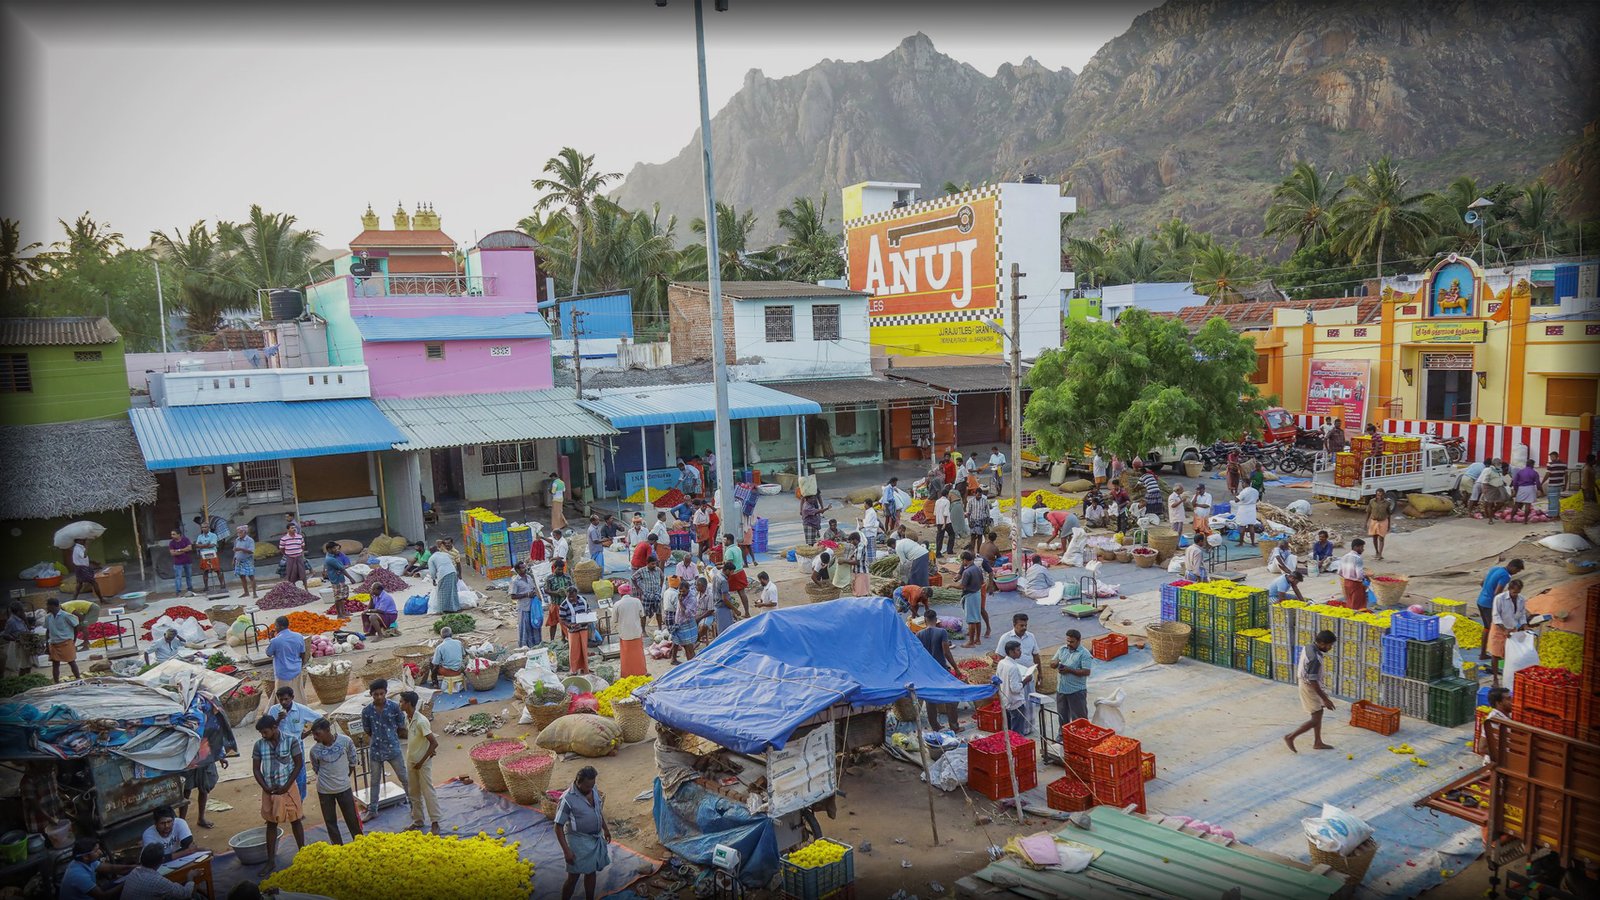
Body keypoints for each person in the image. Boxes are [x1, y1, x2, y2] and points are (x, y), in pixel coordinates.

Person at [251, 714, 306, 875]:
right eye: (261, 733)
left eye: (265, 732)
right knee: (271, 823)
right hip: (269, 789)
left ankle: (303, 855)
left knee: (296, 820)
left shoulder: (291, 740)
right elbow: (256, 769)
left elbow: (298, 764)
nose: (263, 735)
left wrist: (287, 786)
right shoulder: (259, 745)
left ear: (275, 728)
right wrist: (265, 787)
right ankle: (271, 862)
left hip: (288, 787)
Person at [554, 766, 613, 900]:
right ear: (578, 782)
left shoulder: (593, 789)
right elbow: (558, 827)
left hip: (594, 838)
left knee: (591, 871)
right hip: (578, 839)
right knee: (573, 876)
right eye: (587, 786)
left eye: (592, 785)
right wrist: (566, 851)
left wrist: (605, 828)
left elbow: (597, 811)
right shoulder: (567, 799)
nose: (590, 789)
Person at [307, 718, 362, 846]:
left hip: (344, 788)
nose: (315, 737)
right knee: (330, 821)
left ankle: (360, 844)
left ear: (327, 730)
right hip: (324, 791)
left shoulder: (345, 741)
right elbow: (317, 769)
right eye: (313, 734)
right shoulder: (314, 751)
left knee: (352, 819)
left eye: (317, 734)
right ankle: (337, 847)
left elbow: (353, 761)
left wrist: (343, 778)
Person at [360, 679, 408, 822]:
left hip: (393, 749)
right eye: (376, 695)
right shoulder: (367, 711)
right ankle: (372, 810)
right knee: (374, 781)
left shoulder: (395, 708)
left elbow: (401, 726)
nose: (379, 697)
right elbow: (367, 730)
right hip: (375, 750)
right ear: (371, 695)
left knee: (404, 777)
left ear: (386, 693)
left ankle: (414, 804)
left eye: (381, 694)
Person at [1284, 629, 1337, 753]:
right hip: (1309, 687)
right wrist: (1325, 699)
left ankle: (1317, 742)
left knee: (1318, 713)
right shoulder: (1315, 659)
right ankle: (1291, 737)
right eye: (1330, 645)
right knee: (1315, 718)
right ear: (1322, 643)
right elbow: (1313, 681)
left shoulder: (1309, 647)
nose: (1330, 648)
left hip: (1310, 684)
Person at [397, 690, 441, 834]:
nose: (400, 704)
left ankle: (435, 822)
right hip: (411, 761)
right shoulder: (407, 718)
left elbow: (434, 743)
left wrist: (422, 761)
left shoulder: (421, 721)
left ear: (409, 703)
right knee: (413, 792)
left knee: (428, 791)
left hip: (422, 763)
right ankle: (418, 821)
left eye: (402, 701)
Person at [272, 686, 319, 799]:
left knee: (299, 774)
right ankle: (286, 803)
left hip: (296, 747)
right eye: (281, 699)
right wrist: (278, 720)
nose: (283, 702)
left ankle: (300, 802)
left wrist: (306, 732)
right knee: (282, 775)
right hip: (279, 747)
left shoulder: (301, 710)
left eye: (286, 699)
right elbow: (268, 729)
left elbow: (319, 719)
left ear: (292, 698)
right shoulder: (274, 710)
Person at [915, 617, 961, 730]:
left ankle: (935, 726)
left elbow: (917, 654)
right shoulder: (942, 632)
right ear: (936, 620)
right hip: (941, 670)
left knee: (930, 698)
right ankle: (954, 726)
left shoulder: (919, 634)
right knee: (950, 697)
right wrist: (956, 668)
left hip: (927, 671)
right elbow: (946, 652)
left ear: (925, 621)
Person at [1476, 559, 1524, 660]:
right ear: (1513, 567)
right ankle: (1496, 653)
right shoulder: (1505, 576)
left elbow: (1482, 583)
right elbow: (1497, 594)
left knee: (1487, 627)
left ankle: (1483, 653)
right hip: (1489, 604)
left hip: (1481, 601)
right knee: (1496, 629)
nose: (1516, 573)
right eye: (1517, 571)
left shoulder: (1495, 568)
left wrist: (1487, 591)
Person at [60, 837, 134, 900]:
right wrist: (129, 881)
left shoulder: (86, 861)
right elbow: (103, 896)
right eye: (96, 851)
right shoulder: (78, 875)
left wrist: (137, 867)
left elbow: (112, 868)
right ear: (85, 856)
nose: (100, 852)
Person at [261, 616, 306, 714]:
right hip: (296, 670)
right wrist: (299, 665)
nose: (274, 628)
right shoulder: (298, 636)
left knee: (282, 697)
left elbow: (269, 653)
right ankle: (301, 711)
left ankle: (283, 714)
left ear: (279, 627)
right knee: (298, 692)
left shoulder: (276, 641)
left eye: (275, 626)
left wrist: (272, 639)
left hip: (283, 674)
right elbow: (303, 653)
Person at [1488, 578, 1529, 686]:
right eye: (1514, 592)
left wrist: (1525, 625)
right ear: (1509, 589)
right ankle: (1495, 678)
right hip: (1499, 629)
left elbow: (1522, 614)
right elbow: (1496, 616)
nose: (1516, 595)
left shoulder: (1521, 599)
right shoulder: (1499, 598)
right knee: (1495, 654)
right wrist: (1504, 630)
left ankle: (1508, 676)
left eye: (1518, 592)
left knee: (1510, 654)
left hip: (1512, 629)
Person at [122, 842, 196, 899]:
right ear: (162, 860)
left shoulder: (135, 871)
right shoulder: (157, 881)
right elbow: (185, 894)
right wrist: (190, 877)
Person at [1053, 629, 1093, 723]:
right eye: (1067, 641)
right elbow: (1053, 662)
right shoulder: (1062, 649)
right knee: (1062, 717)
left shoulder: (1084, 654)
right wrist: (1054, 663)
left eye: (1072, 642)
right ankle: (1063, 735)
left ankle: (1080, 737)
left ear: (1079, 641)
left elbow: (1086, 672)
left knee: (1079, 719)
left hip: (1076, 691)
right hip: (1061, 690)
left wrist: (1069, 670)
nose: (1069, 643)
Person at [996, 639, 1031, 735]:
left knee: (1009, 728)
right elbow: (1015, 689)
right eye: (1018, 650)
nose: (1020, 652)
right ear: (1011, 652)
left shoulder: (1001, 663)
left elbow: (998, 680)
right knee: (1017, 732)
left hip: (1005, 701)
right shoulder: (1013, 667)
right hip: (1015, 703)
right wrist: (1025, 681)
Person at [614, 582, 646, 678]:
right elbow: (642, 615)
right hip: (636, 631)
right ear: (629, 592)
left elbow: (614, 620)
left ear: (620, 593)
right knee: (639, 654)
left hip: (624, 633)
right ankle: (641, 672)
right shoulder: (637, 601)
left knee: (626, 655)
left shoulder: (617, 604)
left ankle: (627, 674)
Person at [559, 587, 594, 675]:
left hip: (583, 629)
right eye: (569, 597)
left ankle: (585, 668)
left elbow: (588, 610)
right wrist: (570, 625)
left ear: (576, 594)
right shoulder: (564, 605)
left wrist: (588, 617)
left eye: (573, 597)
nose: (571, 599)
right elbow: (562, 619)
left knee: (584, 649)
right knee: (574, 651)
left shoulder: (583, 600)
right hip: (573, 631)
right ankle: (574, 669)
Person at [44, 597, 80, 682]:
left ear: (52, 606)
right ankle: (56, 681)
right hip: (54, 643)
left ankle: (78, 678)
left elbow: (76, 626)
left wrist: (74, 640)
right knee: (55, 664)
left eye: (48, 606)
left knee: (71, 662)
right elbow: (47, 630)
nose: (47, 608)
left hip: (66, 642)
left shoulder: (65, 615)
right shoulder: (48, 617)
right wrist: (46, 643)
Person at [509, 561, 542, 649]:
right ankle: (525, 647)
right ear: (517, 570)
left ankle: (536, 645)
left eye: (525, 567)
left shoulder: (529, 577)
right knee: (525, 628)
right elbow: (513, 596)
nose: (525, 569)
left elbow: (534, 588)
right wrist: (526, 595)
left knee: (535, 625)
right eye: (522, 568)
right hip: (524, 607)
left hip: (533, 607)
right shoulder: (515, 581)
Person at [668, 579, 702, 663]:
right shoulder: (680, 595)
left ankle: (691, 664)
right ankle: (675, 659)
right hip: (679, 623)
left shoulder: (692, 599)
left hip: (688, 624)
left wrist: (680, 602)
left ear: (688, 589)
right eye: (680, 591)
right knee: (678, 642)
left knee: (688, 646)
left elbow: (687, 613)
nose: (681, 593)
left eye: (683, 591)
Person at [1480, 688, 1513, 765]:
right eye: (1508, 699)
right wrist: (1505, 756)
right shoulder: (1493, 720)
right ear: (1499, 703)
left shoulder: (1509, 715)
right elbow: (1482, 748)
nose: (1512, 701)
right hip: (1500, 762)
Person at [959, 551, 985, 648]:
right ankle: (977, 639)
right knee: (977, 618)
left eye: (962, 561)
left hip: (970, 595)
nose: (962, 562)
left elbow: (962, 586)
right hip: (977, 594)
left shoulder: (967, 572)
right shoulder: (977, 569)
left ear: (965, 560)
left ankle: (971, 642)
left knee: (971, 620)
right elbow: (982, 582)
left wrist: (951, 585)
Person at [67, 537, 104, 604]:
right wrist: (87, 545)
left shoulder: (79, 548)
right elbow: (84, 556)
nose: (84, 540)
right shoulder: (78, 548)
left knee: (79, 585)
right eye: (82, 539)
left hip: (79, 568)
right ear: (78, 541)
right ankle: (101, 600)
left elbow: (83, 559)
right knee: (94, 583)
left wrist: (93, 562)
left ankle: (73, 600)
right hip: (82, 569)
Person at [633, 555, 665, 629]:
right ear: (647, 563)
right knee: (644, 614)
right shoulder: (642, 571)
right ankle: (643, 630)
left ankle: (660, 628)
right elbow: (633, 578)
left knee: (659, 612)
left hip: (656, 594)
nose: (654, 565)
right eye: (652, 564)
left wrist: (660, 587)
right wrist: (638, 588)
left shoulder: (658, 570)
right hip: (646, 595)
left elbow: (662, 577)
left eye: (655, 564)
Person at [721, 534, 751, 614]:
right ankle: (747, 612)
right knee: (742, 593)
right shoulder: (738, 548)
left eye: (725, 540)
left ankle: (733, 612)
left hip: (733, 575)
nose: (724, 542)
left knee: (725, 594)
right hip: (741, 572)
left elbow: (729, 565)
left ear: (729, 540)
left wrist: (720, 567)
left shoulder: (729, 551)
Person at [428, 539, 461, 613]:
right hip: (453, 572)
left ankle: (444, 609)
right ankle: (455, 607)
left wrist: (433, 579)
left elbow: (432, 572)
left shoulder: (431, 558)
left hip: (444, 574)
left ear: (430, 552)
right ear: (437, 549)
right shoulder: (445, 554)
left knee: (443, 592)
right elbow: (451, 563)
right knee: (453, 591)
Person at [1337, 539, 1369, 610]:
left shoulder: (1344, 557)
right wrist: (1365, 576)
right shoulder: (1357, 558)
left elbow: (1339, 572)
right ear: (1356, 547)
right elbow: (1359, 576)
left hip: (1346, 583)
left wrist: (1347, 575)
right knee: (1357, 605)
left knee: (1350, 602)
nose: (1363, 550)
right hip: (1356, 584)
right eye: (1362, 547)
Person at [192, 519, 222, 594]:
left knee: (217, 570)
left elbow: (213, 545)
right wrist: (206, 545)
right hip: (204, 555)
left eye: (205, 527)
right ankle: (206, 587)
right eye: (202, 527)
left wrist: (202, 546)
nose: (204, 529)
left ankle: (222, 585)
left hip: (212, 554)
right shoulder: (200, 536)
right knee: (205, 571)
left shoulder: (213, 535)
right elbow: (197, 545)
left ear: (208, 528)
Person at [2, 602, 30, 679]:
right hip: (20, 645)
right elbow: (5, 635)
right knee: (23, 665)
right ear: (18, 611)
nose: (24, 612)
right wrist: (16, 639)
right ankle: (21, 680)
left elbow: (27, 629)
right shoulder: (11, 621)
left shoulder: (21, 619)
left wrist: (25, 619)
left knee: (29, 664)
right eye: (22, 611)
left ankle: (28, 678)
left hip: (27, 644)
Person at [1365, 488, 1394, 561]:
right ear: (1376, 494)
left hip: (1383, 521)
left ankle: (1380, 554)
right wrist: (1366, 522)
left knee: (1381, 538)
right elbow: (1368, 512)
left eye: (1381, 495)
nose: (1379, 496)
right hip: (1374, 521)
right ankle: (1377, 552)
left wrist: (1389, 524)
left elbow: (1389, 514)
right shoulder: (1372, 502)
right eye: (1378, 495)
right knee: (1374, 537)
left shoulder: (1387, 503)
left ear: (1384, 495)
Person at [277, 523, 307, 589]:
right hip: (290, 558)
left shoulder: (300, 536)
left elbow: (303, 546)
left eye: (294, 528)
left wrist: (299, 551)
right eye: (292, 528)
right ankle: (293, 589)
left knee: (303, 574)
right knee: (290, 575)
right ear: (288, 529)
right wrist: (287, 554)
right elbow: (282, 548)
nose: (294, 529)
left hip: (299, 557)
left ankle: (306, 588)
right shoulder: (284, 539)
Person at [168, 529, 196, 598]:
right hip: (178, 562)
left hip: (187, 561)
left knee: (189, 576)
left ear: (179, 534)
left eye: (174, 534)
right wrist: (184, 550)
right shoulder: (171, 543)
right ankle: (178, 592)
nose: (172, 536)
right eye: (171, 534)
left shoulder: (186, 539)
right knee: (178, 577)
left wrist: (179, 550)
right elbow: (172, 553)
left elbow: (190, 548)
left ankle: (190, 589)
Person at [1511, 458, 1541, 524]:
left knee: (1516, 504)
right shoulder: (1534, 472)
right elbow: (1538, 483)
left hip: (1521, 488)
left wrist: (1516, 490)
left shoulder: (1520, 472)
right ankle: (1525, 520)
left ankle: (1511, 518)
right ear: (1532, 465)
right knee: (1528, 505)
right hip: (1530, 488)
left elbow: (1515, 482)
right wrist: (1539, 490)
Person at [233, 525, 257, 599]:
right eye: (238, 533)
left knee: (251, 576)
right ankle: (246, 592)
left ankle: (254, 593)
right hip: (239, 560)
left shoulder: (250, 540)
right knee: (242, 576)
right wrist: (234, 559)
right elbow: (235, 551)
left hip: (247, 560)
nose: (239, 534)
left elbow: (251, 551)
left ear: (245, 532)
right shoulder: (237, 540)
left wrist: (241, 549)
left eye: (240, 532)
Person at [1233, 480, 1261, 546]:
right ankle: (1253, 543)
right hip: (1252, 509)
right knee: (1251, 526)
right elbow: (1257, 500)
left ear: (1245, 483)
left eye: (1242, 483)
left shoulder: (1244, 492)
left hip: (1244, 509)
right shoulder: (1255, 491)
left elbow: (1236, 500)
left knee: (1242, 526)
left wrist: (1235, 495)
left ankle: (1241, 543)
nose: (1242, 485)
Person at [964, 489, 991, 555]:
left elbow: (987, 512)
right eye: (978, 495)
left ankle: (978, 551)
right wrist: (969, 522)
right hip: (973, 521)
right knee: (972, 537)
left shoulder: (985, 501)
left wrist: (987, 523)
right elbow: (968, 513)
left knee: (980, 536)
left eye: (980, 495)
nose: (979, 496)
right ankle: (972, 551)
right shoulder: (971, 501)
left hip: (981, 521)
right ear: (975, 494)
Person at [1542, 451, 1569, 518]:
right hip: (1560, 485)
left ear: (1557, 456)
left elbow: (1547, 474)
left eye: (1552, 457)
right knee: (1557, 500)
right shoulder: (1564, 464)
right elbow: (1566, 475)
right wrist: (1565, 485)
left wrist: (1542, 483)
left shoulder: (1550, 464)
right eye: (1550, 457)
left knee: (1552, 500)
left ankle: (1553, 516)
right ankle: (1557, 515)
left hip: (1552, 485)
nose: (1551, 458)